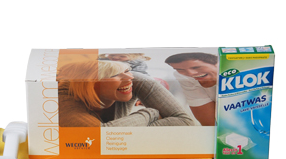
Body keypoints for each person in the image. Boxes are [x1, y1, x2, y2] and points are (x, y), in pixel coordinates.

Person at [57, 60, 194, 127]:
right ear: (88, 82)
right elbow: (100, 137)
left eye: (127, 70)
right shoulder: (63, 96)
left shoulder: (136, 79)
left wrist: (127, 130)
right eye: (114, 74)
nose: (129, 78)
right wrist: (151, 114)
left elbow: (186, 122)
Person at [165, 52, 218, 126]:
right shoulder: (184, 76)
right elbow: (210, 124)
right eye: (179, 69)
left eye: (196, 67)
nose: (190, 73)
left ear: (217, 64)